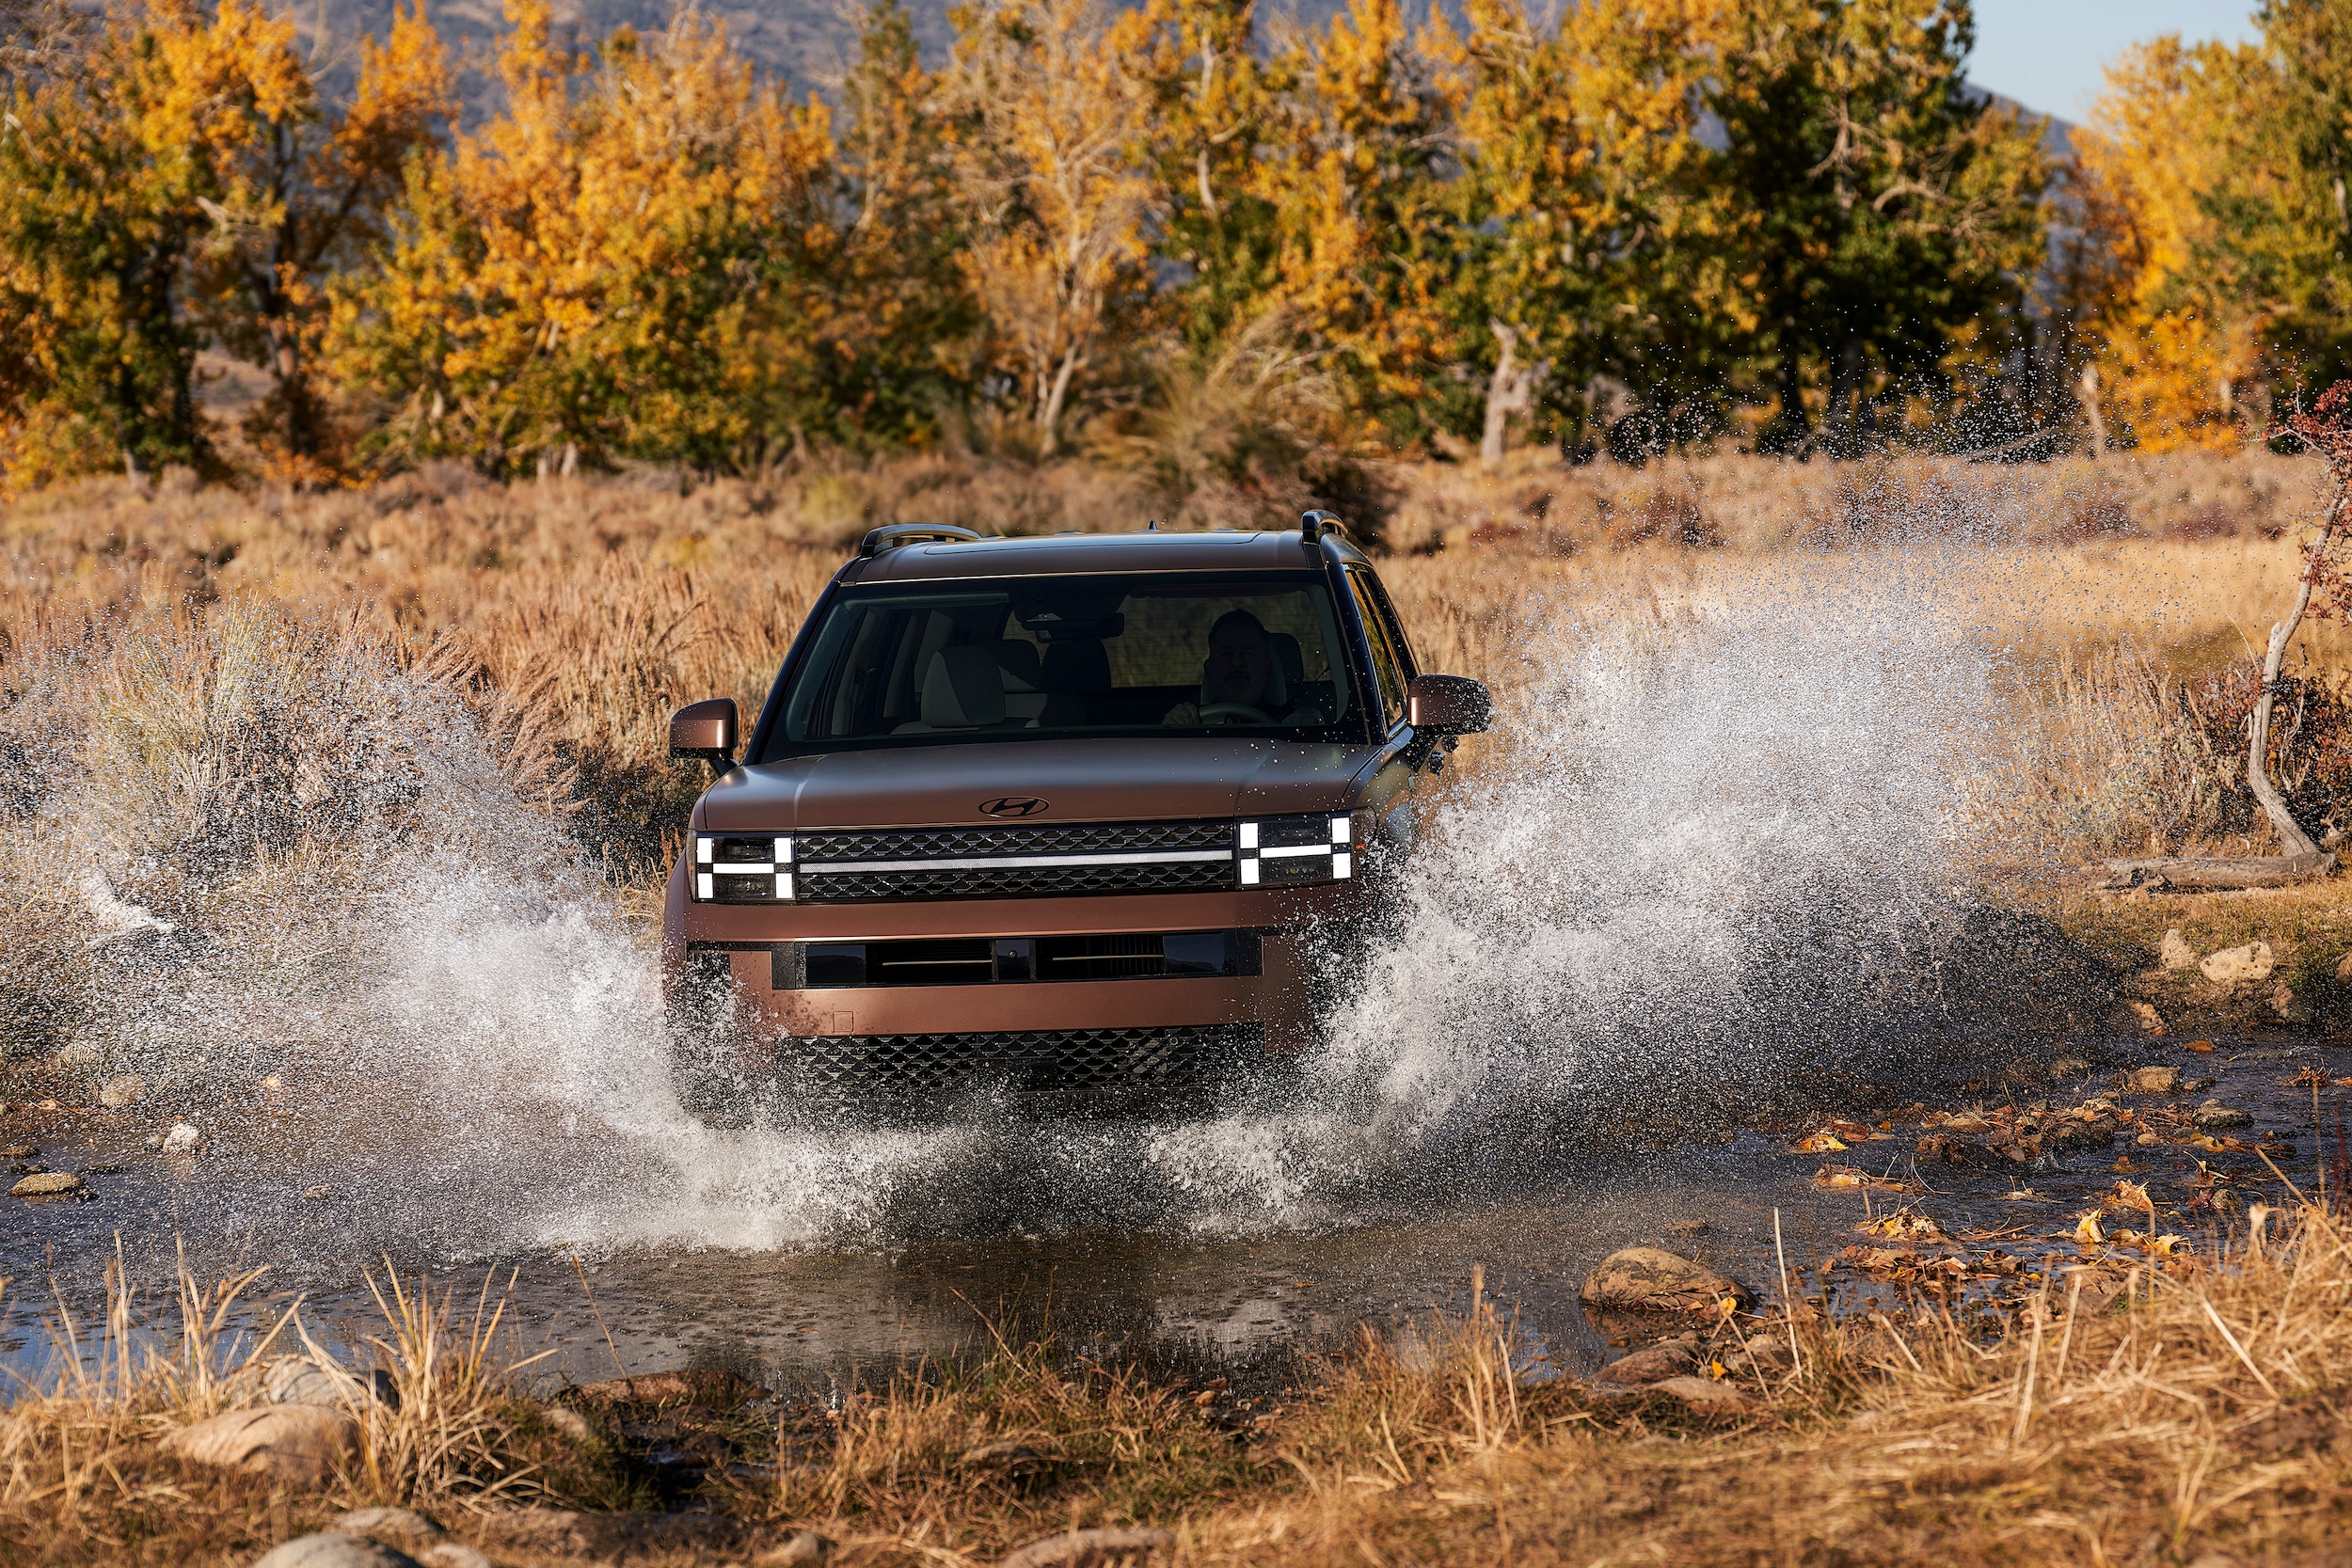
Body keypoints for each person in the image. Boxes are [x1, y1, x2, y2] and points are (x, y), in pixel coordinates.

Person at [1164, 609, 1311, 725]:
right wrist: (1171, 728)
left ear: (1267, 670)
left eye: (1247, 653)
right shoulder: (1187, 722)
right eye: (1226, 653)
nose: (1236, 662)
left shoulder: (1294, 725)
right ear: (1209, 670)